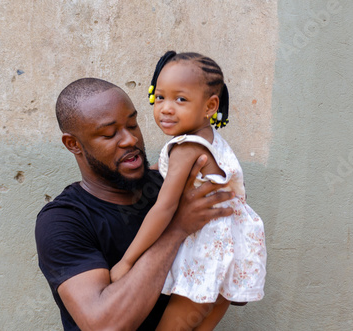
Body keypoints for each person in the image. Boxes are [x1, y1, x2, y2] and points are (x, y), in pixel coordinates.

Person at [35, 77, 235, 331]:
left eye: (133, 124)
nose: (129, 140)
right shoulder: (64, 221)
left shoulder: (173, 189)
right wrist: (176, 230)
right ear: (73, 144)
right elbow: (104, 325)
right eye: (109, 134)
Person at [110, 51, 267, 330]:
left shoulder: (186, 147)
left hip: (205, 259)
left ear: (210, 106)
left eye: (180, 99)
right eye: (160, 97)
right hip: (230, 255)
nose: (166, 108)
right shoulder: (212, 140)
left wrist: (127, 261)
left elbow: (165, 207)